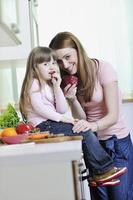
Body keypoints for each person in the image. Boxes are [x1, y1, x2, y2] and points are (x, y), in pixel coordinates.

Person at [19, 46, 127, 188]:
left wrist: (57, 87)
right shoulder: (34, 83)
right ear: (35, 67)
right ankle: (103, 170)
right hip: (42, 126)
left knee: (82, 129)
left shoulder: (49, 85)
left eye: (53, 63)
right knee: (83, 129)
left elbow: (62, 109)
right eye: (45, 64)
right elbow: (41, 109)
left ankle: (98, 173)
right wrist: (64, 119)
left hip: (50, 123)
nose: (51, 67)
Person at [49, 32, 133, 200]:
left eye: (67, 56)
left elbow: (113, 116)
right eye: (59, 61)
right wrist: (72, 100)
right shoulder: (73, 79)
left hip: (116, 144)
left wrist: (92, 126)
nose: (64, 64)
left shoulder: (103, 69)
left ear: (78, 50)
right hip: (95, 147)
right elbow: (83, 118)